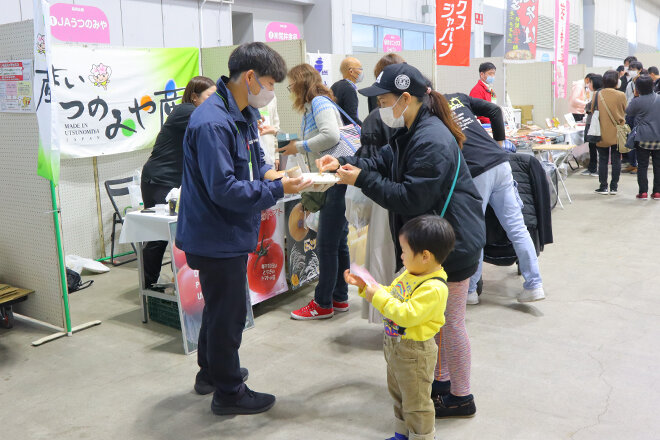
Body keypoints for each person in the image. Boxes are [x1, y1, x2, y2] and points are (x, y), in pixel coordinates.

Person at [318, 63, 485, 418]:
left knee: (450, 323)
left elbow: (411, 198)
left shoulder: (431, 138)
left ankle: (462, 396)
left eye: (384, 100)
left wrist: (360, 179)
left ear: (406, 98)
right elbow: (382, 158)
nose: (380, 107)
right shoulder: (413, 129)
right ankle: (439, 386)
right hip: (437, 242)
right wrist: (343, 162)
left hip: (453, 243)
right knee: (437, 323)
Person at [176, 42, 311, 416]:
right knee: (230, 313)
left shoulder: (243, 112)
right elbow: (224, 189)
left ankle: (211, 374)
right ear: (249, 77)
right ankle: (229, 392)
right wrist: (278, 188)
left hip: (228, 231)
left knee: (220, 309)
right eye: (268, 84)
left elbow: (254, 164)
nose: (270, 93)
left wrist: (281, 176)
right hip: (215, 234)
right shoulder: (213, 122)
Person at [344, 215, 454, 440]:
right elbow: (393, 295)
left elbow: (405, 315)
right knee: (400, 396)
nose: (400, 255)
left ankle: (421, 437)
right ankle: (402, 435)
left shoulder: (434, 288)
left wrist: (377, 297)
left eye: (404, 250)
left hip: (415, 353)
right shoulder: (411, 273)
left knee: (417, 403)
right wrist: (367, 286)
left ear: (425, 256)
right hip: (396, 348)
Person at [442, 92, 545, 305]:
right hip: (500, 162)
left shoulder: (430, 110)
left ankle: (470, 291)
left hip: (476, 170)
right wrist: (499, 144)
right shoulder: (457, 97)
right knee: (517, 227)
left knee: (474, 229)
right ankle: (534, 285)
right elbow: (495, 110)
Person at [281, 64, 350, 320]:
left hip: (334, 180)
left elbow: (330, 136)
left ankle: (322, 304)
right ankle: (339, 297)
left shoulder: (319, 103)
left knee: (326, 245)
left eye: (291, 85)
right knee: (338, 243)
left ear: (300, 83)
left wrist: (298, 147)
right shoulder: (315, 105)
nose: (290, 91)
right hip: (333, 179)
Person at [140, 76, 215, 289]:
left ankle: (182, 285)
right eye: (210, 96)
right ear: (194, 97)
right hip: (158, 180)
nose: (214, 102)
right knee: (158, 237)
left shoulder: (198, 114)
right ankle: (148, 286)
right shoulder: (186, 111)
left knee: (176, 234)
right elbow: (211, 121)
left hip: (176, 183)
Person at [359, 54, 406, 324]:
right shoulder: (420, 119)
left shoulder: (376, 119)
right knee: (399, 256)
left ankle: (389, 315)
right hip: (399, 196)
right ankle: (398, 315)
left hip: (384, 196)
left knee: (383, 253)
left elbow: (369, 164)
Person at [625, 74, 660, 200]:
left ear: (638, 87)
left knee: (643, 165)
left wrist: (635, 96)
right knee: (658, 166)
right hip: (658, 137)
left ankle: (643, 192)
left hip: (643, 138)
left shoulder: (637, 101)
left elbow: (628, 112)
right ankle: (657, 192)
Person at [594, 70, 627, 195]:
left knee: (602, 159)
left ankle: (603, 187)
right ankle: (614, 187)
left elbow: (592, 110)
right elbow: (625, 110)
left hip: (601, 132)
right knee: (616, 160)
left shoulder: (597, 94)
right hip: (618, 132)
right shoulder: (621, 95)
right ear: (616, 81)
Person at [623, 61, 644, 174]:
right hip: (630, 114)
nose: (631, 71)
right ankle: (632, 163)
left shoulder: (644, 83)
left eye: (634, 69)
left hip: (639, 114)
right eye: (630, 69)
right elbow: (626, 99)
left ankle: (638, 165)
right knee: (629, 138)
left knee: (638, 139)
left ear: (640, 70)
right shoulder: (629, 83)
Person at [330, 56, 363, 126]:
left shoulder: (334, 86)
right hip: (348, 133)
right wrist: (366, 128)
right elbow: (352, 118)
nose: (361, 72)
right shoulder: (349, 89)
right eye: (360, 69)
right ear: (351, 71)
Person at [581, 74, 604, 177]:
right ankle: (592, 168)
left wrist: (587, 107)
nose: (588, 84)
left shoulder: (598, 93)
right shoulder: (596, 93)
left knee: (595, 146)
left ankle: (595, 169)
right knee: (592, 146)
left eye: (590, 82)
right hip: (593, 123)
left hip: (594, 123)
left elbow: (590, 108)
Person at [257, 95, 281, 169]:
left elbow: (276, 127)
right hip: (255, 153)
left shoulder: (272, 97)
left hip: (270, 153)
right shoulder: (249, 96)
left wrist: (276, 156)